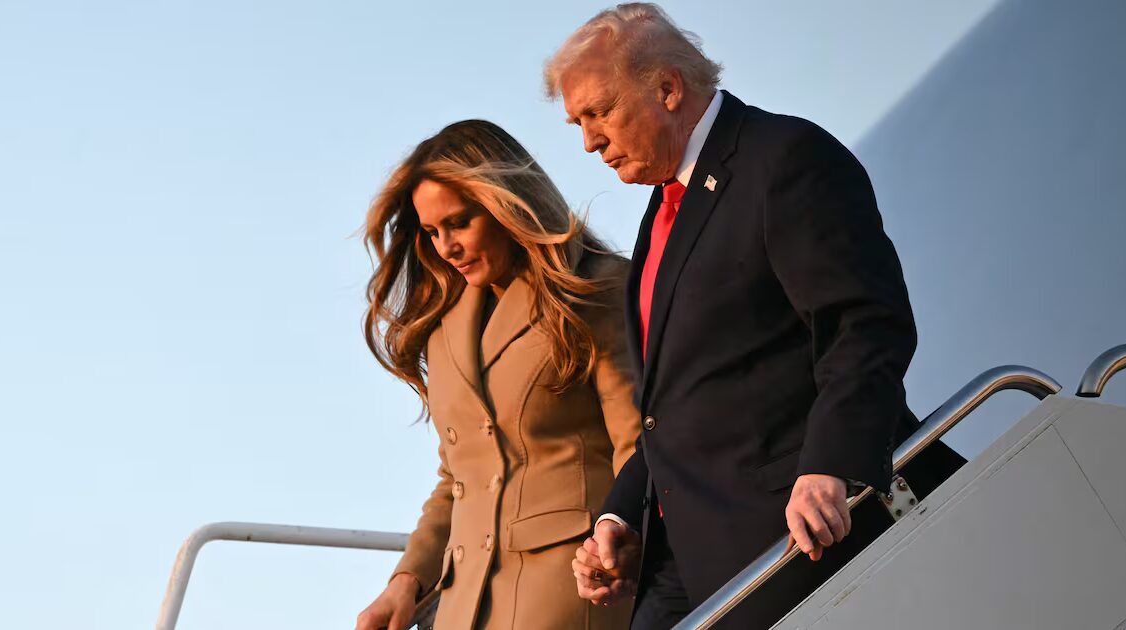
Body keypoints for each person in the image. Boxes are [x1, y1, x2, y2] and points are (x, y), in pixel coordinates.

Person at [544, 4, 967, 629]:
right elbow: (677, 405)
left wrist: (832, 465)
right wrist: (620, 516)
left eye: (599, 113)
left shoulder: (783, 159)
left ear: (666, 88)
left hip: (794, 537)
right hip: (686, 559)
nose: (589, 140)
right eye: (578, 122)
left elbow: (865, 324)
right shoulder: (663, 208)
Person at [353, 120, 640, 630]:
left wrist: (625, 547)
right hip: (462, 605)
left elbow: (636, 445)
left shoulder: (594, 289)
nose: (445, 247)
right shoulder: (444, 326)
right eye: (431, 231)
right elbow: (459, 478)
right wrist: (406, 583)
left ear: (507, 203)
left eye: (459, 223)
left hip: (569, 592)